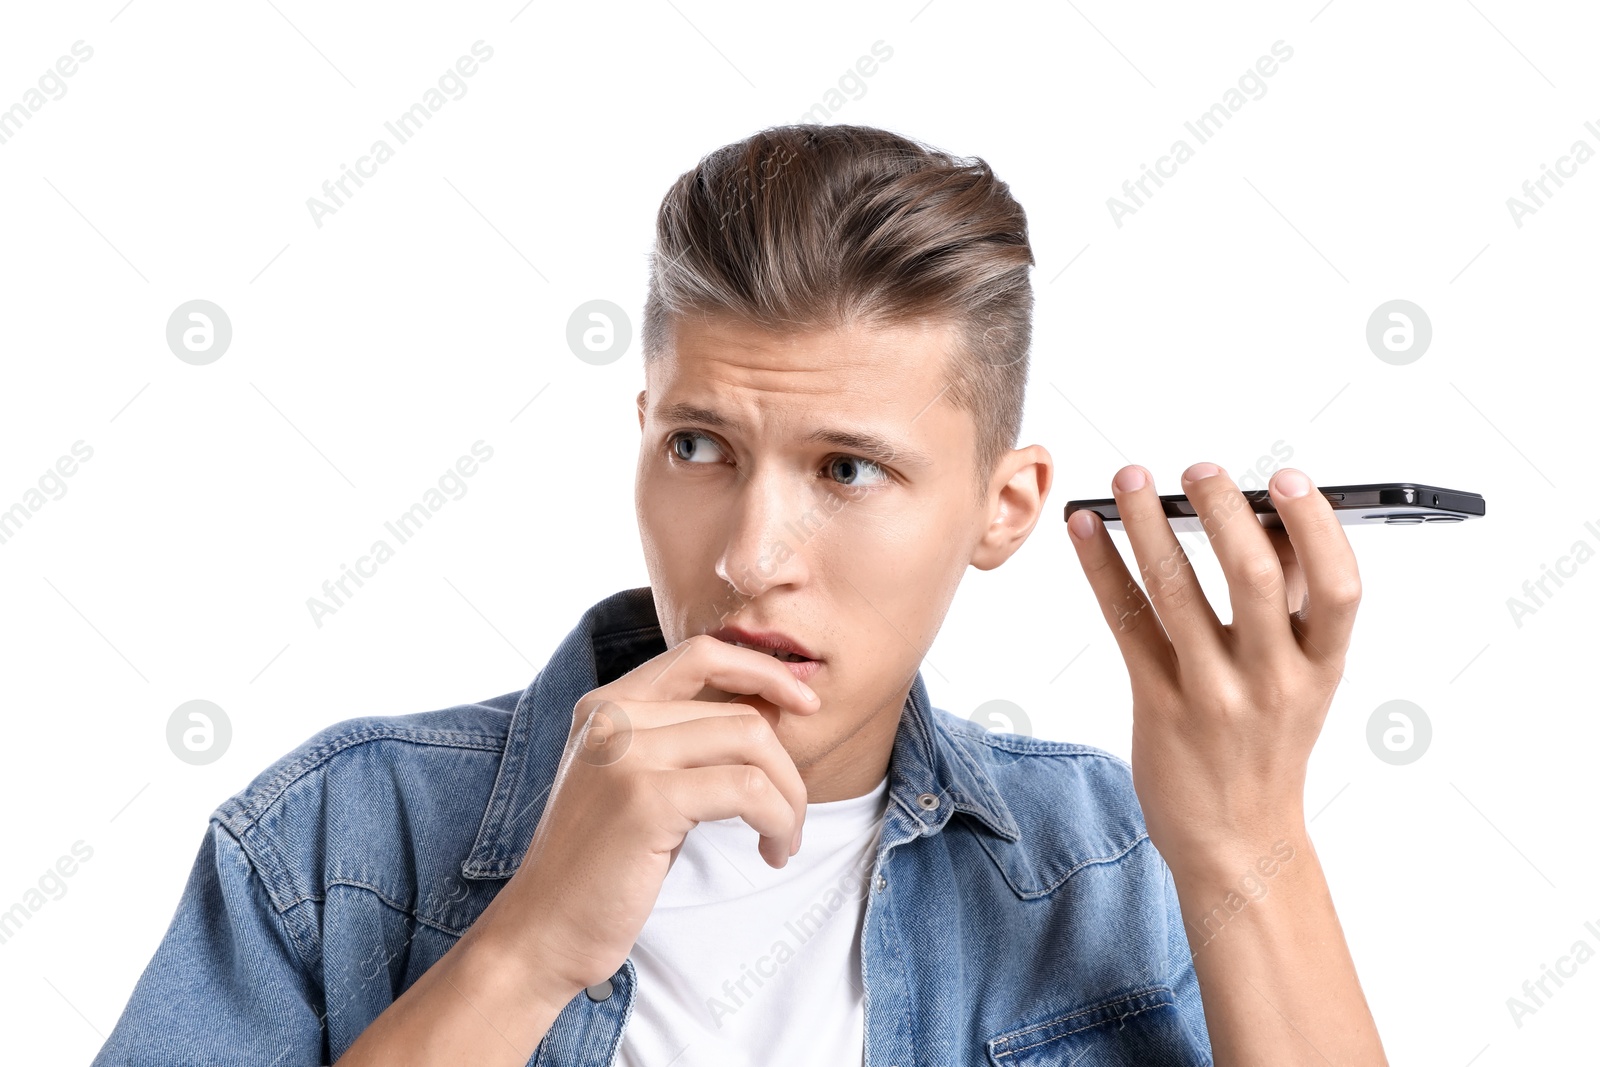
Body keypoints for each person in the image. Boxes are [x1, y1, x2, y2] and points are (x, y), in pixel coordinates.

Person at [93, 123, 1387, 1066]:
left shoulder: (1115, 864)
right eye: (701, 448)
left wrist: (1245, 842)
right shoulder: (332, 847)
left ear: (1005, 506)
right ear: (641, 429)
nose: (751, 557)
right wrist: (527, 948)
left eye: (848, 468)